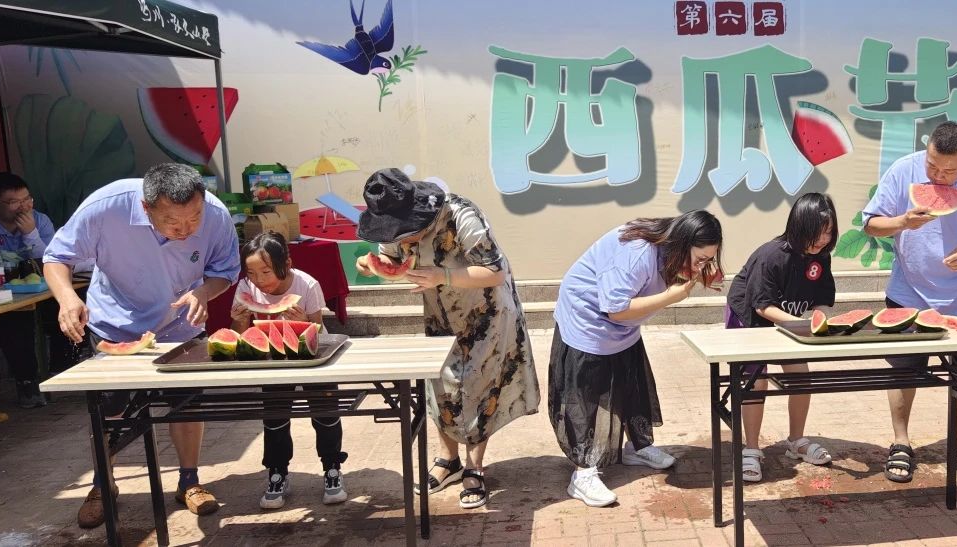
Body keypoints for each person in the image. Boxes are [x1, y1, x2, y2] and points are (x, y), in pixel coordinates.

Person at [43, 163, 240, 527]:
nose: (186, 229)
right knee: (107, 412)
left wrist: (203, 292)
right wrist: (67, 298)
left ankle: (189, 480)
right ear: (146, 207)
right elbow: (57, 257)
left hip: (180, 322)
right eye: (172, 221)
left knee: (187, 405)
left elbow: (224, 271)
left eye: (194, 218)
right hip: (114, 324)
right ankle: (103, 484)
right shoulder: (107, 206)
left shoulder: (216, 215)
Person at [355, 168, 539, 510]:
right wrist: (371, 266)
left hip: (486, 312)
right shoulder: (392, 224)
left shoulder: (462, 215)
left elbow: (495, 272)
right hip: (441, 314)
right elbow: (389, 260)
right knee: (440, 387)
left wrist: (443, 275)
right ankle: (448, 460)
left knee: (479, 388)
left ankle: (474, 467)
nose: (402, 239)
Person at [862, 121, 957, 484]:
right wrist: (902, 221)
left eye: (950, 171)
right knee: (903, 370)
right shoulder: (904, 169)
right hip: (908, 292)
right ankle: (901, 442)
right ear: (927, 148)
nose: (938, 176)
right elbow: (871, 224)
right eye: (932, 166)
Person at [549, 209, 723, 507]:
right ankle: (583, 473)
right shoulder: (637, 252)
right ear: (683, 243)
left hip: (624, 329)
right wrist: (672, 296)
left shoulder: (671, 248)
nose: (701, 266)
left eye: (708, 260)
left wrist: (699, 273)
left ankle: (636, 448)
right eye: (700, 259)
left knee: (631, 385)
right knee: (586, 396)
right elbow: (616, 310)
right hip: (587, 320)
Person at [725, 192, 838, 482]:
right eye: (817, 232)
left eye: (828, 232)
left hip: (789, 322)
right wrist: (802, 325)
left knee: (801, 377)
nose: (823, 239)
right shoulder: (771, 256)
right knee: (756, 381)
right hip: (749, 318)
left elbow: (823, 299)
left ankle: (796, 441)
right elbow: (762, 306)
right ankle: (751, 449)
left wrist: (819, 317)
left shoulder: (821, 257)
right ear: (799, 227)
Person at [230, 231, 347, 509]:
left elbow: (318, 330)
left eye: (266, 272)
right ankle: (277, 472)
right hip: (273, 361)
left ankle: (332, 467)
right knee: (274, 418)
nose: (259, 280)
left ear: (287, 264)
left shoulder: (307, 284)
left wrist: (304, 321)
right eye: (251, 273)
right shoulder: (246, 288)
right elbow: (240, 335)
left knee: (326, 414)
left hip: (312, 359)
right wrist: (239, 320)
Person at [0, 171, 60, 408]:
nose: (24, 207)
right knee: (17, 320)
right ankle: (27, 383)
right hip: (0, 294)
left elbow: (55, 261)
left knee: (70, 302)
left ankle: (61, 369)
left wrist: (31, 234)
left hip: (41, 287)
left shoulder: (40, 220)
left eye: (27, 199)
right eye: (14, 202)